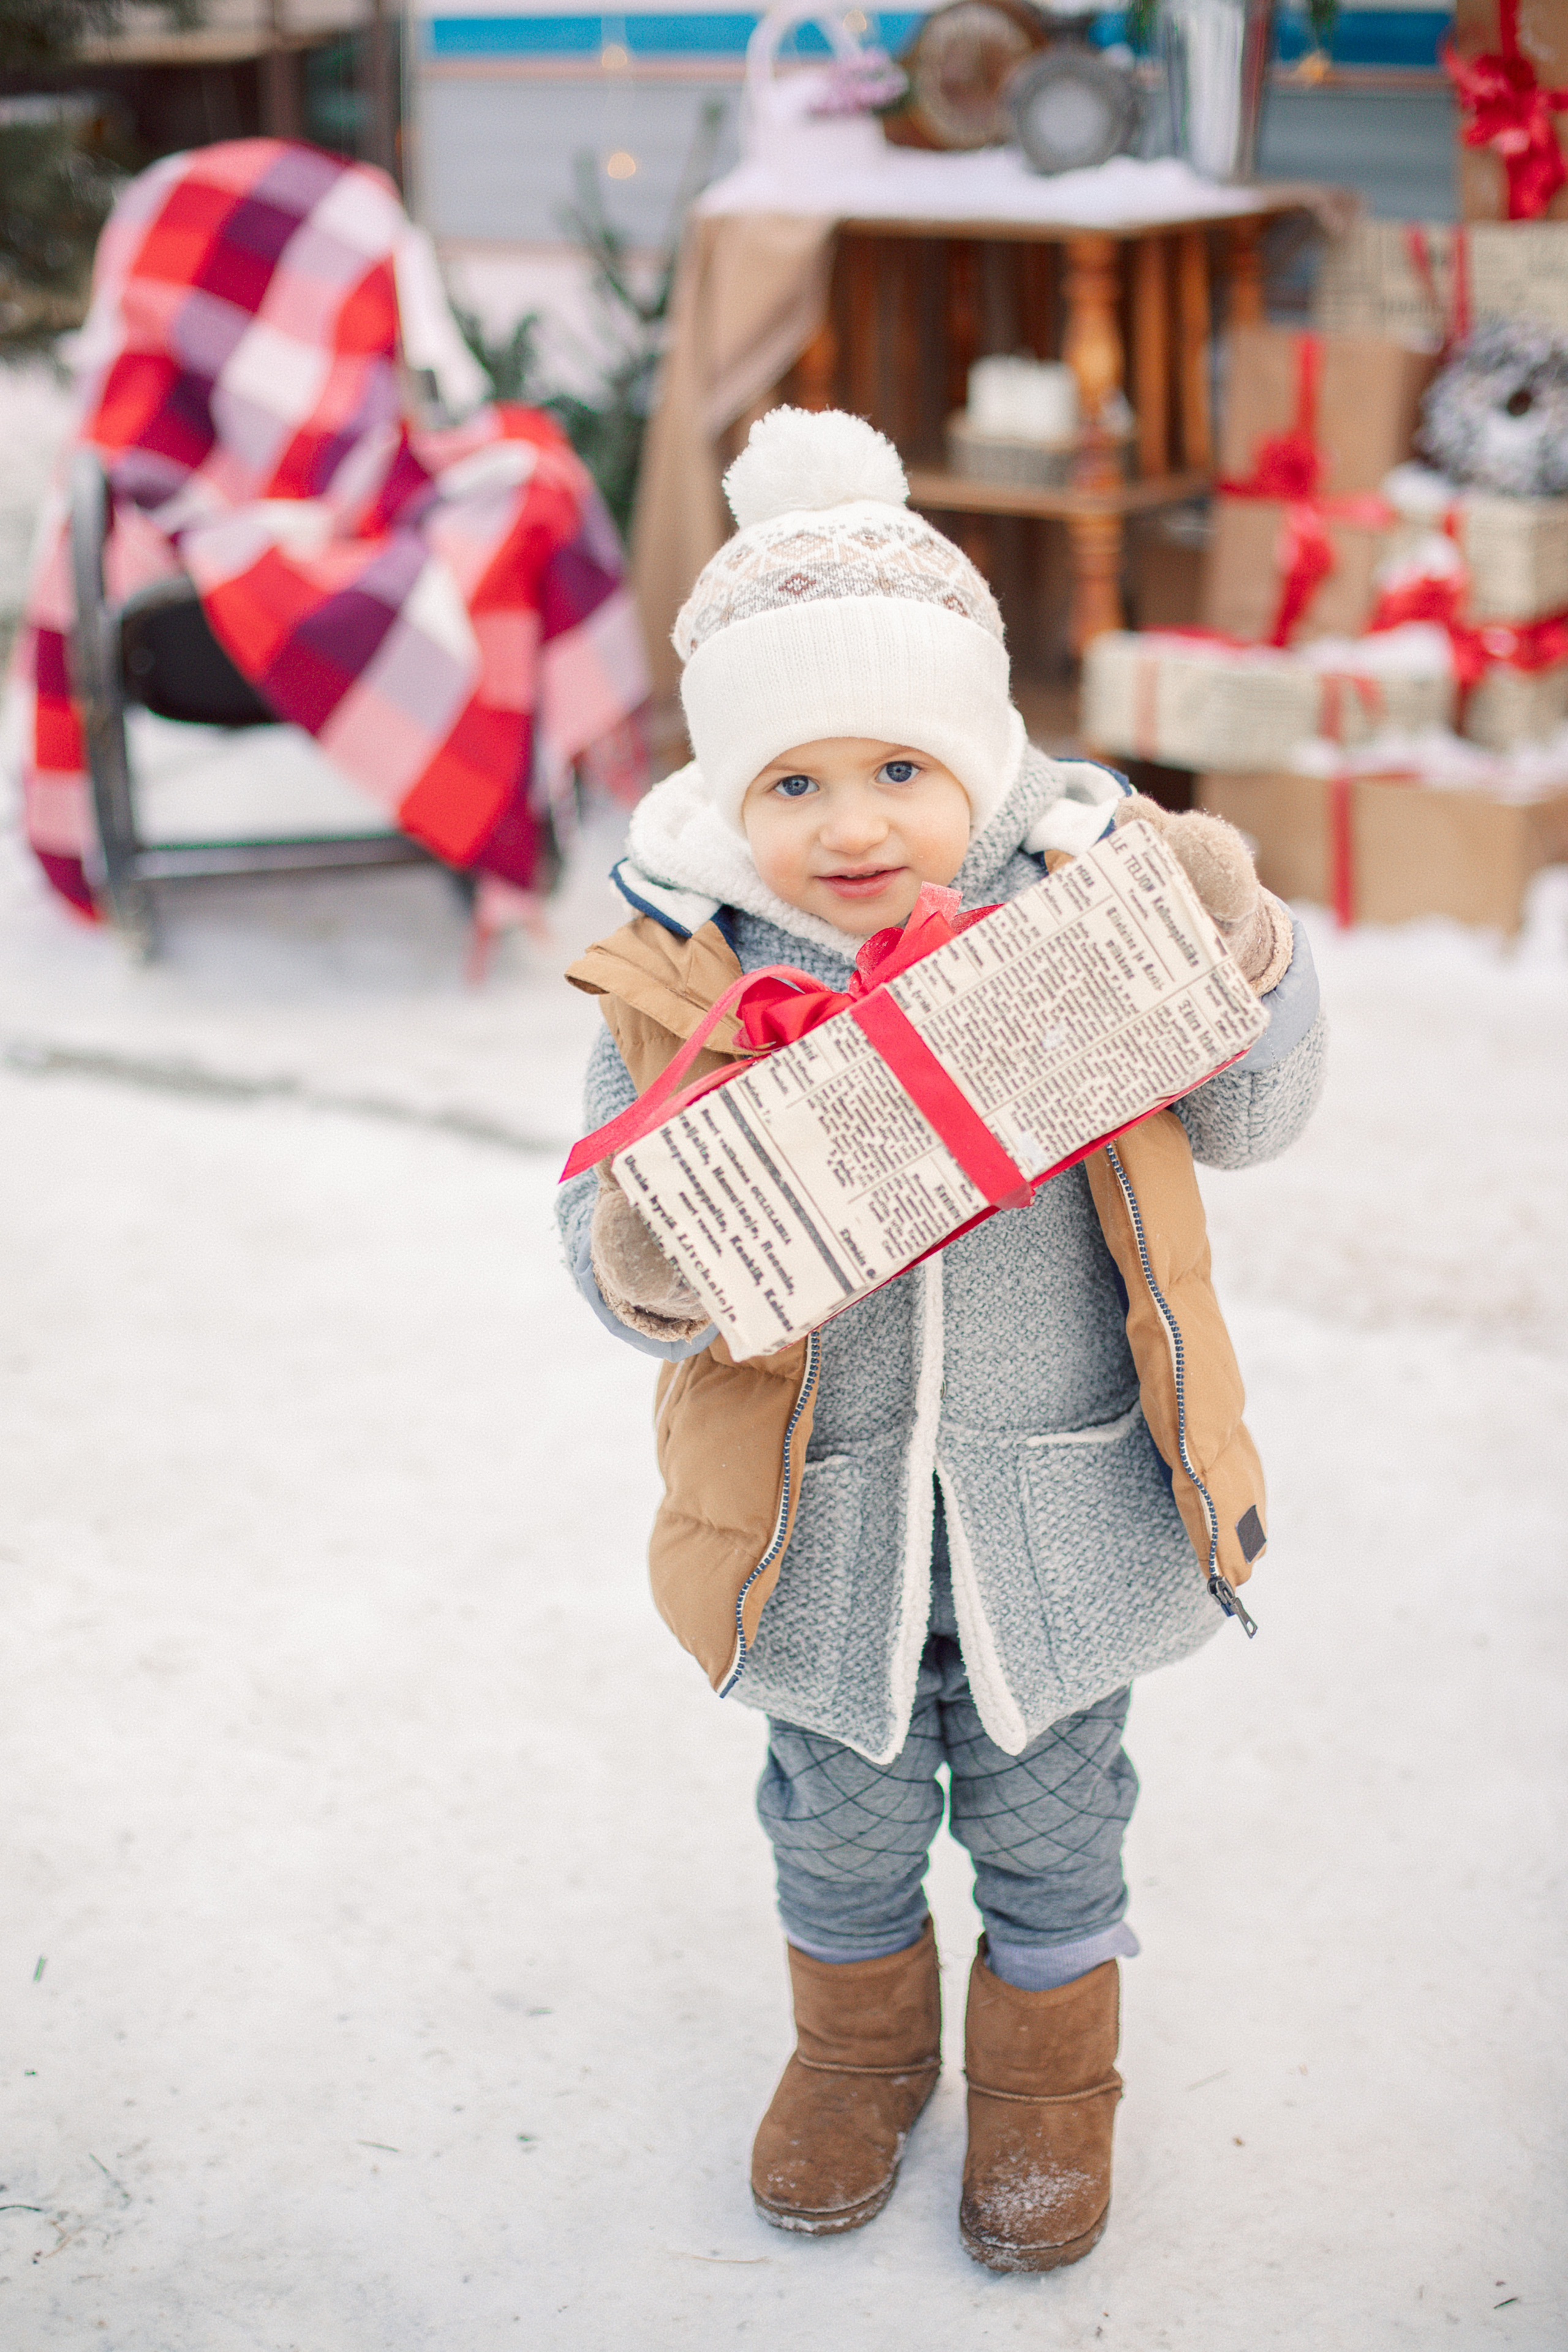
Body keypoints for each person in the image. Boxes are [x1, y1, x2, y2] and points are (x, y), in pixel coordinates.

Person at [556, 408, 1324, 2272]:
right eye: (793, 782)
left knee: (1058, 1824)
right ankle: (859, 2050)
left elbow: (1250, 1120)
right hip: (817, 1541)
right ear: (733, 800)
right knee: (839, 1825)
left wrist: (1238, 959)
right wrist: (662, 1245)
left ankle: (1055, 2091)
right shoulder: (689, 980)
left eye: (899, 764)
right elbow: (601, 1241)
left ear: (980, 758)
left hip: (1054, 1511)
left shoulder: (1073, 931)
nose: (851, 823)